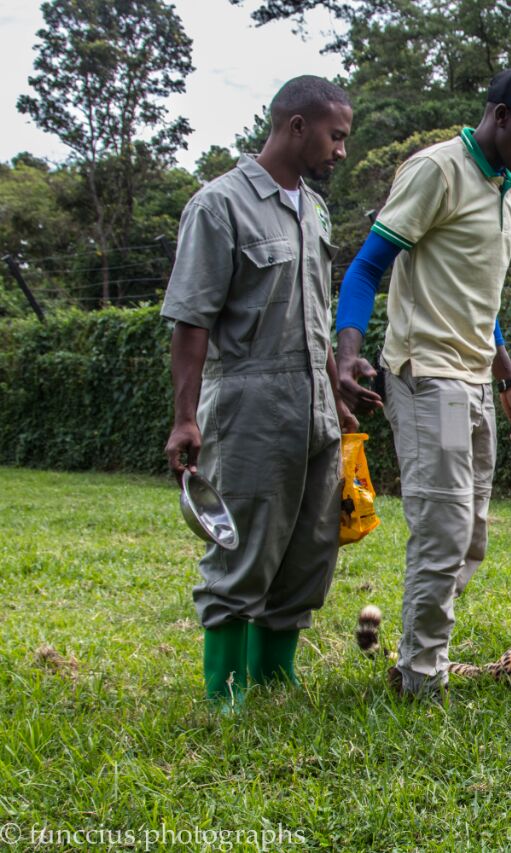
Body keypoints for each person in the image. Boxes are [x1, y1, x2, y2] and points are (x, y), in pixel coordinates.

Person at [334, 68, 511, 700]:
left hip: (476, 380)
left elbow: (483, 298)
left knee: (470, 535)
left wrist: (509, 379)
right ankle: (421, 678)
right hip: (430, 376)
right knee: (443, 528)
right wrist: (347, 355)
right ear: (501, 116)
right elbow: (365, 269)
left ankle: (415, 651)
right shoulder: (436, 171)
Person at [161, 76, 357, 707]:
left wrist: (336, 392)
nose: (341, 151)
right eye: (336, 136)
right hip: (249, 403)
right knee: (242, 544)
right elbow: (192, 318)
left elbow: (317, 317)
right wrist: (184, 418)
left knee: (309, 547)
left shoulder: (315, 209)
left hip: (316, 407)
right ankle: (226, 690)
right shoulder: (219, 206)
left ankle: (275, 673)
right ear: (296, 126)